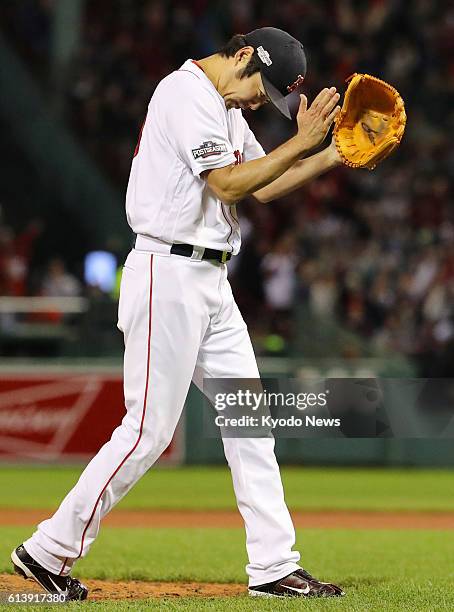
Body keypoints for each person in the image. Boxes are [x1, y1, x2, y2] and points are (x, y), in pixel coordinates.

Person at [12, 27, 345, 599]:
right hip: (166, 273)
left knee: (250, 422)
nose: (260, 101)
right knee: (148, 431)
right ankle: (47, 552)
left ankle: (273, 567)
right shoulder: (184, 93)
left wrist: (332, 154)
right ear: (242, 55)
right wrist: (302, 142)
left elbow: (265, 186)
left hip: (211, 279)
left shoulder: (224, 106)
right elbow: (228, 185)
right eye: (261, 88)